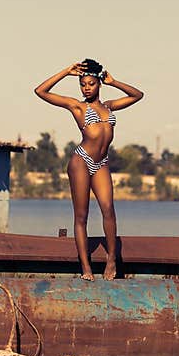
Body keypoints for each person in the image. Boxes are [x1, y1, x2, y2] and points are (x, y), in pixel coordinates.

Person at [34, 59, 144, 281]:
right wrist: (66, 71)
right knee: (81, 216)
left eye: (91, 83)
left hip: (101, 162)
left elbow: (137, 95)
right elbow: (40, 91)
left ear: (98, 84)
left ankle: (111, 260)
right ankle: (86, 268)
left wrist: (114, 81)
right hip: (81, 161)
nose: (86, 88)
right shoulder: (77, 106)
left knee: (108, 210)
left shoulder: (109, 106)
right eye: (83, 84)